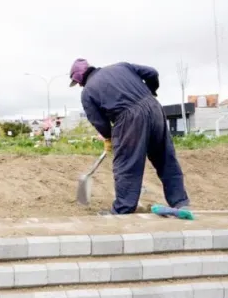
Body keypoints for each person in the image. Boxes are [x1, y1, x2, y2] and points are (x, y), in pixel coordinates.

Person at [69, 58, 189, 214]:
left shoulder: (87, 92)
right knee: (165, 158)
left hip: (130, 119)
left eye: (77, 83)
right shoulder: (121, 66)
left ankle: (123, 209)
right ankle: (180, 202)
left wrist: (110, 137)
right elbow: (152, 72)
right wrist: (151, 91)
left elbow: (99, 122)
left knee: (127, 164)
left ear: (80, 79)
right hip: (154, 108)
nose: (79, 85)